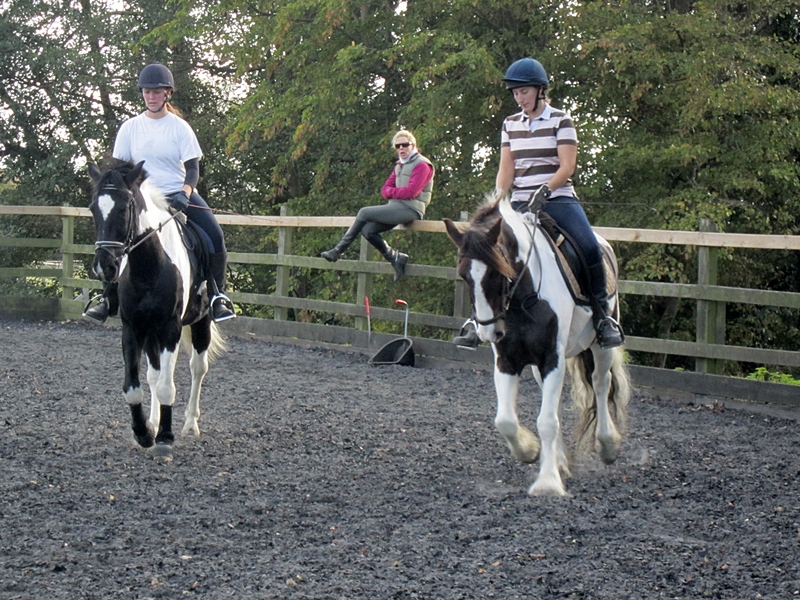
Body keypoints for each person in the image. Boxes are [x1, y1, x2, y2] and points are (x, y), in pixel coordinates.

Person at [454, 57, 624, 350]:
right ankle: (475, 320)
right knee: (484, 252)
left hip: (558, 199)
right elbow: (507, 168)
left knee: (589, 246)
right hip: (520, 203)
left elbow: (567, 166)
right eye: (516, 93)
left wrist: (545, 190)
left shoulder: (561, 120)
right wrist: (498, 198)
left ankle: (602, 317)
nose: (520, 98)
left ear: (540, 90)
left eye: (524, 92)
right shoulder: (510, 124)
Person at [83, 62, 236, 324]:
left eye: (156, 92)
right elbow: (119, 171)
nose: (151, 96)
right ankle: (107, 297)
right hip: (141, 199)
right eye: (147, 92)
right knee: (112, 237)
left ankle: (217, 296)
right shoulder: (130, 128)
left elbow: (193, 169)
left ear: (167, 93)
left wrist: (185, 192)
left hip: (176, 193)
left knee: (215, 236)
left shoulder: (179, 128)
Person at [319, 130, 434, 281]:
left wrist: (392, 192)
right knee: (368, 230)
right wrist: (393, 193)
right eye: (398, 146)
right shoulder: (399, 165)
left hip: (411, 209)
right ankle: (395, 257)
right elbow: (384, 189)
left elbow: (411, 192)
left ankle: (338, 250)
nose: (401, 148)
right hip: (396, 207)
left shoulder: (422, 165)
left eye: (405, 145)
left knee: (364, 212)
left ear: (413, 145)